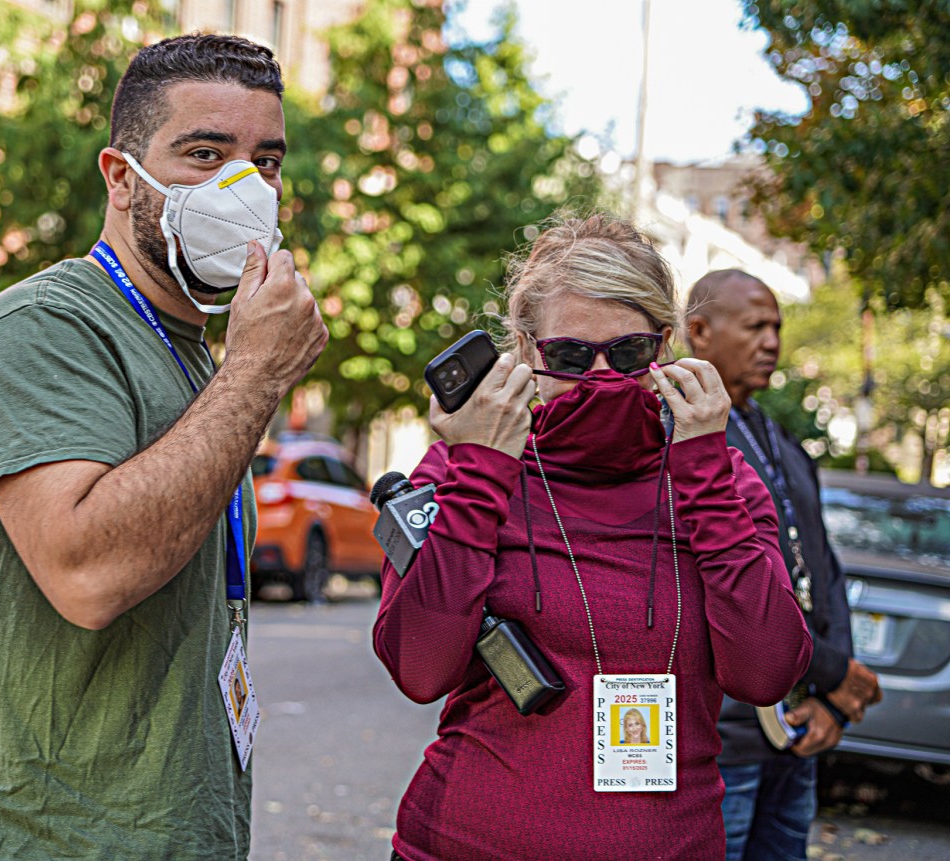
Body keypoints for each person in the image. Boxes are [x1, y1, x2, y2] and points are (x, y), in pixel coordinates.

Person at [0, 34, 327, 860]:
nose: (244, 188)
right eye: (204, 153)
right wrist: (255, 373)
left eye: (266, 162)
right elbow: (87, 573)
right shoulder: (41, 327)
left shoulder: (195, 351)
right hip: (43, 842)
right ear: (119, 174)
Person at [373, 214, 812, 861]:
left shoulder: (720, 478)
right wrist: (484, 471)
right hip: (466, 841)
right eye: (573, 356)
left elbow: (766, 670)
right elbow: (419, 666)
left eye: (629, 353)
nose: (603, 377)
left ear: (664, 347)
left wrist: (705, 480)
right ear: (527, 350)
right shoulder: (467, 466)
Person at [686, 269, 882, 861]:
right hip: (724, 739)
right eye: (755, 326)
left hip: (797, 734)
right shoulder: (677, 433)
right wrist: (832, 673)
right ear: (698, 330)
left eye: (777, 326)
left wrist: (831, 696)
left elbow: (823, 570)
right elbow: (707, 587)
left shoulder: (781, 440)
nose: (772, 340)